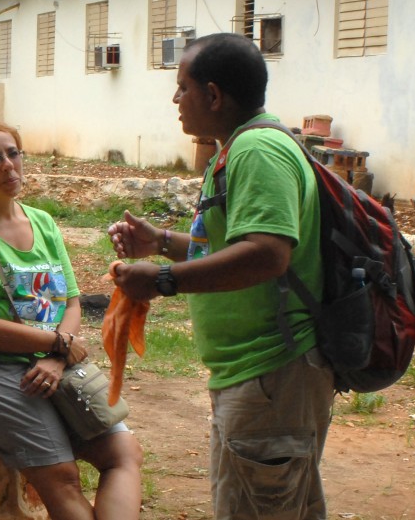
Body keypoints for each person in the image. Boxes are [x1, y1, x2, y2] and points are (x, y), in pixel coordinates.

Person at [108, 33, 333, 520]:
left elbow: (268, 254)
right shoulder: (233, 150)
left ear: (213, 95)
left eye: (182, 87)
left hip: (271, 374)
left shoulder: (257, 151)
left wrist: (164, 278)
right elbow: (232, 246)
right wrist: (162, 241)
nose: (175, 99)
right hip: (257, 377)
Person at [0, 119, 143, 520]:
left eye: (13, 153)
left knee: (123, 453)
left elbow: (71, 302)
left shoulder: (43, 222)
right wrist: (56, 346)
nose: (8, 166)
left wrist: (56, 355)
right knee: (62, 477)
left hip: (49, 358)